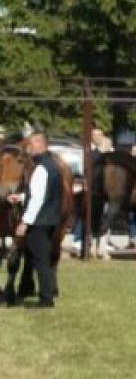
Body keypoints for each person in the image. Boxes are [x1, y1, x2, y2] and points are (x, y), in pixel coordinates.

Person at [5, 132, 65, 308]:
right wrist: (21, 197)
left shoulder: (40, 168)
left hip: (39, 221)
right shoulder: (52, 165)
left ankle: (46, 299)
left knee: (40, 260)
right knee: (43, 258)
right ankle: (48, 293)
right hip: (51, 219)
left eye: (30, 144)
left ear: (40, 144)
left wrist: (24, 222)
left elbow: (38, 199)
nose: (28, 148)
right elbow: (45, 194)